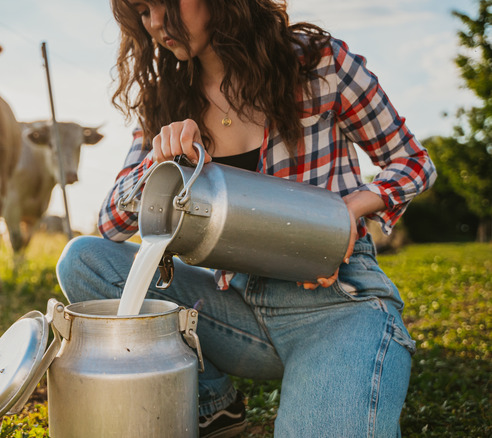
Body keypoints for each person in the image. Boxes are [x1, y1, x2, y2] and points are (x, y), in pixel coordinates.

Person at [56, 0, 437, 436]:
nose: (156, 22)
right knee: (84, 259)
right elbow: (110, 224)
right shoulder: (166, 95)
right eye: (143, 11)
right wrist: (157, 163)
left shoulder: (316, 62)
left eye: (166, 2)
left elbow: (413, 161)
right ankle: (215, 403)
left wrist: (349, 208)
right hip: (230, 309)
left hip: (334, 305)